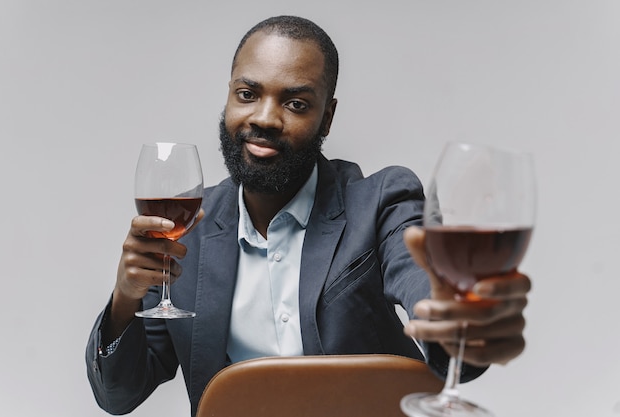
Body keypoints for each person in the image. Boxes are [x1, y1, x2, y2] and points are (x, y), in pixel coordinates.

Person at [86, 15, 531, 416]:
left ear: (327, 117)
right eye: (247, 94)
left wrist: (454, 320)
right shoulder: (189, 232)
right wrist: (126, 297)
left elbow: (420, 277)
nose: (264, 118)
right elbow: (119, 395)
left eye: (295, 103)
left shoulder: (379, 201)